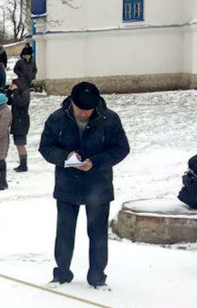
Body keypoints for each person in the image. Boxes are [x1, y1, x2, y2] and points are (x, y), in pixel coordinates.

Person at [39, 82, 130, 288]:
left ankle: (97, 276)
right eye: (80, 110)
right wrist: (65, 157)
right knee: (64, 232)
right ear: (71, 102)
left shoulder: (110, 119)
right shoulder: (57, 119)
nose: (84, 114)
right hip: (67, 185)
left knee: (97, 233)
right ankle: (62, 273)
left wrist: (95, 162)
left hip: (98, 185)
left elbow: (121, 148)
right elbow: (46, 147)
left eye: (88, 110)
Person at [7, 79, 31, 172]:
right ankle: (22, 164)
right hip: (16, 120)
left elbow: (21, 102)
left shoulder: (25, 93)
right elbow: (7, 101)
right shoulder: (16, 93)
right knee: (18, 143)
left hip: (22, 120)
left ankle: (24, 165)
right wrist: (9, 91)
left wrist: (15, 91)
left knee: (20, 143)